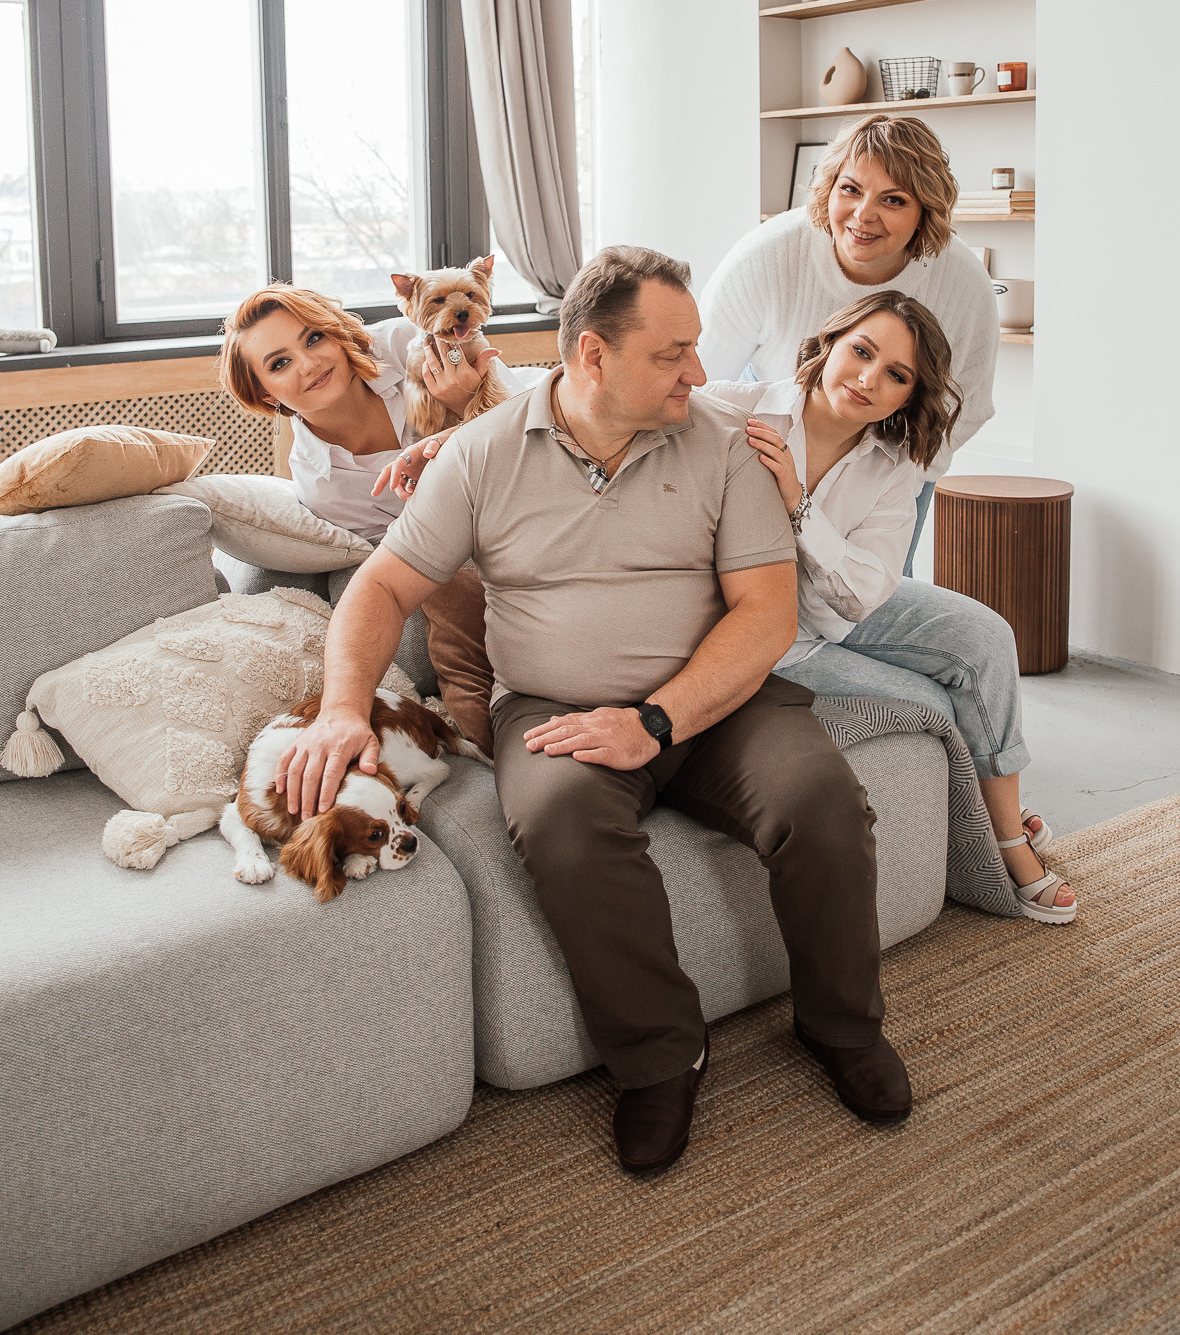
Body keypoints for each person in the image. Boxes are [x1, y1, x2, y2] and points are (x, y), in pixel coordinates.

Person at [277, 246, 914, 1176]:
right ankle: (662, 1060)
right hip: (553, 706)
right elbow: (380, 589)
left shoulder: (721, 445)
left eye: (696, 350)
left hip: (719, 699)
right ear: (590, 356)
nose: (699, 374)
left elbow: (768, 613)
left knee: (823, 802)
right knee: (565, 826)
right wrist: (342, 709)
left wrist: (655, 721)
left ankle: (843, 1028)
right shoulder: (484, 454)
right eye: (672, 355)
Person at [707, 290, 1076, 924]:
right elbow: (611, 392)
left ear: (909, 395)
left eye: (896, 375)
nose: (868, 379)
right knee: (931, 704)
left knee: (987, 636)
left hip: (842, 606)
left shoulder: (896, 459)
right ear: (829, 342)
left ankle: (1006, 821)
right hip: (782, 638)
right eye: (861, 351)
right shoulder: (732, 409)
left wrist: (799, 506)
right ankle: (1000, 850)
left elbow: (865, 593)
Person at [698, 113, 1000, 567]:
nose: (863, 215)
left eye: (894, 200)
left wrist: (892, 478)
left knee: (871, 596)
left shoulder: (963, 284)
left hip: (890, 452)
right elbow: (699, 382)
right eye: (851, 189)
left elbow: (965, 405)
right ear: (829, 186)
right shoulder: (767, 257)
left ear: (924, 215)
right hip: (768, 433)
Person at [219, 284, 504, 752]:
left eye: (313, 339)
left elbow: (533, 426)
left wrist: (464, 402)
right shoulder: (323, 485)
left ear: (336, 334)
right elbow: (412, 555)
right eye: (279, 363)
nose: (308, 364)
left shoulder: (406, 343)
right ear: (263, 393)